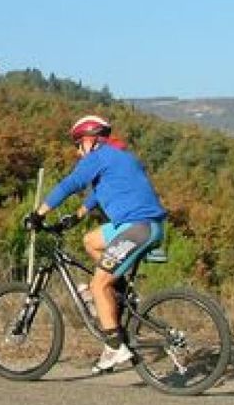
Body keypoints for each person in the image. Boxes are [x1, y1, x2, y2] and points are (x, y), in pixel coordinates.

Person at [23, 114, 167, 373]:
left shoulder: (99, 156)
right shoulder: (119, 158)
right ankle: (118, 295)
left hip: (136, 227)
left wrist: (39, 213)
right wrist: (74, 218)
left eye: (78, 145)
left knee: (98, 284)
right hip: (143, 225)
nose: (78, 152)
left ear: (91, 140)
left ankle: (115, 346)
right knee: (91, 240)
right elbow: (96, 196)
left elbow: (70, 184)